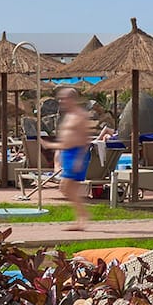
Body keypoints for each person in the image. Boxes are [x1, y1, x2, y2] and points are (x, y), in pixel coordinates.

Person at [54, 85, 94, 231]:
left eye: (63, 99)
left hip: (76, 154)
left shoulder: (81, 115)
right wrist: (58, 156)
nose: (61, 101)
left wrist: (79, 159)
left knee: (65, 188)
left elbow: (86, 139)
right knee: (69, 189)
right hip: (68, 153)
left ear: (71, 99)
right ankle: (81, 219)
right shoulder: (68, 116)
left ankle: (82, 217)